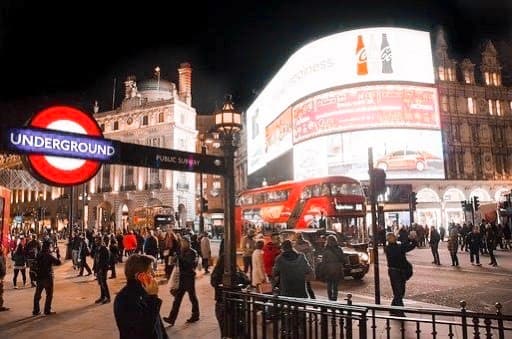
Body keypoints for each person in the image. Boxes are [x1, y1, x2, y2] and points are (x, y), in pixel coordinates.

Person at [114, 254, 168, 339]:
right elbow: (144, 331)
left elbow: (158, 325)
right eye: (150, 271)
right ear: (139, 276)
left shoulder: (145, 292)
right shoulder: (125, 299)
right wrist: (153, 298)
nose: (154, 274)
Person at [163, 235, 200, 326]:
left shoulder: (192, 252)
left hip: (189, 277)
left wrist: (180, 258)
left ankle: (195, 315)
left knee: (192, 297)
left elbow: (190, 264)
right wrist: (174, 260)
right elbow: (178, 263)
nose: (182, 243)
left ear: (188, 243)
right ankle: (172, 318)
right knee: (177, 299)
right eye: (182, 242)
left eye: (184, 242)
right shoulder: (181, 251)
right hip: (181, 278)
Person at [384, 232, 417, 317]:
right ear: (388, 239)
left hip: (400, 272)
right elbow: (402, 248)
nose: (394, 238)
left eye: (394, 237)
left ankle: (393, 309)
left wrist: (412, 240)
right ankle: (399, 311)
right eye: (392, 237)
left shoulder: (397, 246)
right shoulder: (389, 248)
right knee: (398, 292)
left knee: (400, 291)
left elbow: (405, 246)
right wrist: (410, 240)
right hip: (394, 272)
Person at [33, 240, 62, 316]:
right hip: (48, 277)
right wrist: (58, 253)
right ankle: (47, 310)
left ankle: (36, 310)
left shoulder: (39, 254)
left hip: (39, 276)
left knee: (37, 294)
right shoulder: (49, 255)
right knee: (49, 294)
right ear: (49, 246)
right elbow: (58, 262)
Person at [320, 234, 345, 301]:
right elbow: (343, 258)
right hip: (337, 268)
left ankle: (330, 298)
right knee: (335, 285)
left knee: (329, 285)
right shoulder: (339, 249)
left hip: (329, 269)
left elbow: (323, 261)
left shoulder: (326, 250)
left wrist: (322, 270)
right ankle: (335, 298)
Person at [294, 232, 316, 298]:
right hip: (307, 267)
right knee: (308, 285)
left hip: (299, 268)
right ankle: (313, 299)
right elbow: (311, 257)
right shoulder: (308, 245)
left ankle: (303, 300)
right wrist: (312, 267)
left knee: (301, 286)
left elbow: (295, 259)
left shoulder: (296, 247)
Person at [92, 235, 111, 304]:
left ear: (100, 241)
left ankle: (108, 297)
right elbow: (95, 259)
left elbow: (106, 260)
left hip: (103, 269)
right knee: (100, 283)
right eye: (95, 241)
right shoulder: (97, 249)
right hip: (98, 268)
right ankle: (102, 296)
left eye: (97, 241)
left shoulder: (104, 249)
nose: (96, 242)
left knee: (104, 283)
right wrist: (95, 269)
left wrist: (103, 269)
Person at [0, 244, 9, 312]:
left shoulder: (2, 256)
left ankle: (0, 305)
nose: (2, 248)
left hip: (1, 276)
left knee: (1, 291)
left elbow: (3, 265)